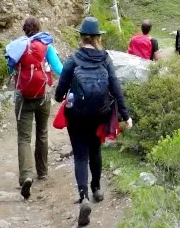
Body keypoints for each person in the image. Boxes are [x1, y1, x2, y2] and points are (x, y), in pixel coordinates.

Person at [55, 17, 133, 227]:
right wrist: (125, 115)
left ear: (81, 37)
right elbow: (116, 88)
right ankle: (97, 188)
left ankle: (83, 197)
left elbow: (59, 92)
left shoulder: (73, 59)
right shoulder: (105, 59)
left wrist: (64, 95)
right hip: (100, 114)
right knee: (95, 151)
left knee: (80, 156)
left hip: (77, 116)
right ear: (98, 37)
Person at [8, 17, 63, 199]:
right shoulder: (46, 45)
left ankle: (25, 176)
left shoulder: (18, 46)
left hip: (23, 97)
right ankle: (43, 171)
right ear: (39, 29)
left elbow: (10, 69)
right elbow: (59, 68)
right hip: (42, 96)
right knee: (42, 133)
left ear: (24, 30)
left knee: (24, 138)